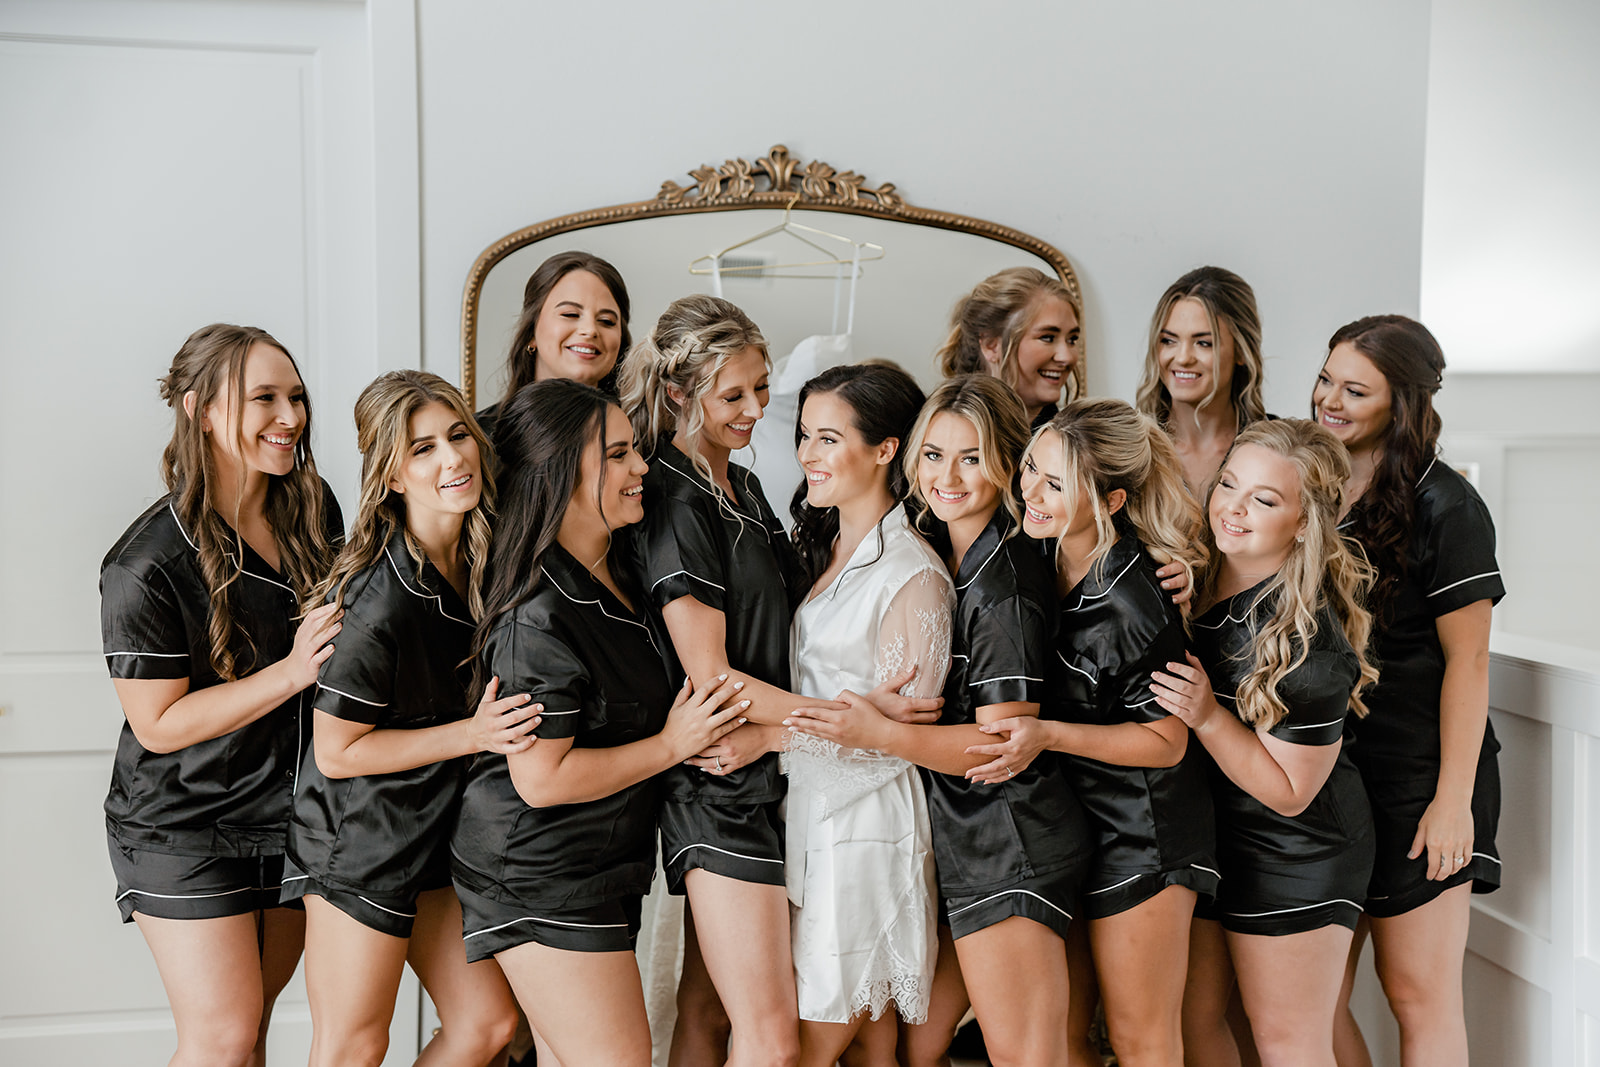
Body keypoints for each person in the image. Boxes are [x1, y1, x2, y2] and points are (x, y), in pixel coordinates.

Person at [789, 375, 1096, 1067]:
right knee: (918, 1043)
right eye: (933, 455)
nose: (947, 476)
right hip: (958, 833)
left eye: (971, 457)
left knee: (1027, 1053)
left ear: (1006, 465)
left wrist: (881, 730)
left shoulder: (1003, 582)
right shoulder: (940, 541)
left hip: (1009, 838)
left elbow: (1002, 746)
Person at [450, 378, 747, 1066]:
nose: (642, 466)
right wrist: (673, 745)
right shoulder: (539, 613)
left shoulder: (619, 569)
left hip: (601, 865)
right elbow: (542, 779)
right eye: (617, 455)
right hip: (536, 866)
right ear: (561, 472)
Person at [99, 324, 342, 1067]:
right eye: (264, 398)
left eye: (295, 397)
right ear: (203, 409)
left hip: (290, 812)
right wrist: (293, 672)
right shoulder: (144, 563)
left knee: (253, 1032)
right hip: (183, 824)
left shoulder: (310, 508)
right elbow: (161, 722)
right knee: (223, 1037)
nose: (290, 417)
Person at [282, 371, 540, 1067]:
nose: (452, 459)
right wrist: (474, 735)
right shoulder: (372, 598)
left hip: (434, 832)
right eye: (422, 449)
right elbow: (336, 752)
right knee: (352, 1045)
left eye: (458, 436)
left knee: (487, 1024)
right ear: (391, 475)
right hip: (358, 845)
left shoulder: (483, 558)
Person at [962, 398, 1217, 1067]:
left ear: (1110, 499)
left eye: (1054, 484)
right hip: (1076, 826)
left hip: (1146, 835)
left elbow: (1167, 741)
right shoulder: (1039, 560)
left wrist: (1047, 733)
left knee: (1141, 1039)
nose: (1031, 493)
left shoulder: (1134, 598)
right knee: (1070, 1037)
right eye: (1031, 472)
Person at [1153, 419, 1378, 1067]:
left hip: (1299, 851)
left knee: (1288, 1042)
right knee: (1195, 1026)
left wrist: (1205, 714)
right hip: (1211, 837)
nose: (1234, 506)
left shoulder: (1309, 640)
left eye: (1265, 499)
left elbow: (1291, 789)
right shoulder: (1191, 576)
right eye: (1229, 484)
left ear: (1305, 522)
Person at [1315, 317, 1503, 1067]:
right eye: (1326, 378)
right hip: (1329, 775)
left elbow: (1471, 664)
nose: (1329, 400)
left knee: (1417, 996)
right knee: (1312, 999)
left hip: (1422, 778)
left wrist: (1452, 799)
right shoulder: (1313, 479)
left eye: (1355, 390)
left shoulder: (1450, 508)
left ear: (1404, 404)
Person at [778, 363, 954, 1067]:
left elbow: (895, 740)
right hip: (810, 817)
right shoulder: (819, 550)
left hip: (864, 827)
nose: (806, 455)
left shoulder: (910, 571)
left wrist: (766, 738)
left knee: (816, 1036)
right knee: (871, 1043)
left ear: (886, 449)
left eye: (827, 438)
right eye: (803, 437)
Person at [1134, 267, 1268, 495]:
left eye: (1204, 343)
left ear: (1241, 352)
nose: (1183, 358)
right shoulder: (1130, 448)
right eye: (1168, 340)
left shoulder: (1276, 450)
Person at [475, 250, 632, 438]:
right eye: (570, 314)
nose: (590, 330)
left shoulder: (643, 436)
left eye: (607, 321)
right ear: (531, 331)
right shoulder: (480, 438)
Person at [935, 266, 1085, 427]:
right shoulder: (940, 431)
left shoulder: (1073, 443)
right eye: (1047, 337)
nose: (1067, 357)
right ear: (991, 345)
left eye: (1072, 339)